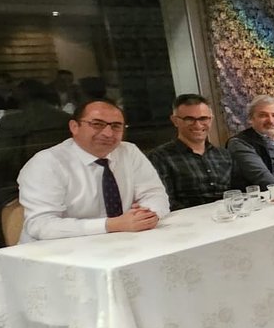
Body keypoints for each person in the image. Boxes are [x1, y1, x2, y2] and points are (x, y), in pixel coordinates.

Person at [16, 98, 169, 242]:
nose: (108, 133)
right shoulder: (47, 163)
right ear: (74, 127)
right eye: (97, 124)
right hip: (54, 251)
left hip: (121, 242)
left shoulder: (129, 151)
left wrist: (147, 215)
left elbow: (154, 194)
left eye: (116, 126)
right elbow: (41, 225)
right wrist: (111, 225)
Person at [147, 93, 233, 210]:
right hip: (187, 220)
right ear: (175, 121)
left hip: (229, 217)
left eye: (203, 118)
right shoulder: (159, 157)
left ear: (211, 119)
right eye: (189, 119)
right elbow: (165, 202)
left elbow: (237, 193)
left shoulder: (223, 155)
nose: (197, 125)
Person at [0, 79, 72, 181]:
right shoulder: (66, 119)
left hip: (22, 175)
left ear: (19, 96)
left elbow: (1, 156)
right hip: (65, 170)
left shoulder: (10, 122)